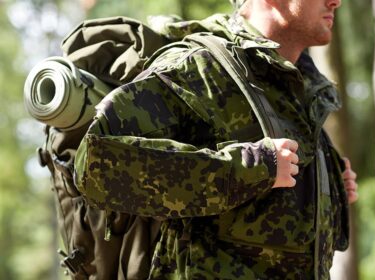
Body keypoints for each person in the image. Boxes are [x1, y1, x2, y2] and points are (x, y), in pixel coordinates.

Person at [73, 0, 358, 278]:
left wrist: (329, 187)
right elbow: (95, 165)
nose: (336, 2)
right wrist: (252, 168)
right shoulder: (200, 68)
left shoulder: (304, 87)